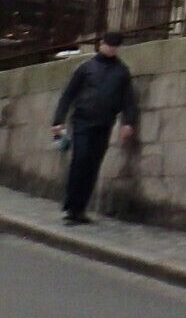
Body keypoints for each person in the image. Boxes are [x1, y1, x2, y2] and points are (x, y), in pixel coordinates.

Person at [51, 31, 139, 224]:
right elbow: (68, 95)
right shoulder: (86, 68)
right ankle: (71, 206)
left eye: (114, 46)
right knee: (80, 159)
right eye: (108, 45)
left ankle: (80, 208)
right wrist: (58, 120)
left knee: (92, 165)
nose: (110, 48)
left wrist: (128, 121)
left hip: (104, 122)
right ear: (102, 44)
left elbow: (128, 100)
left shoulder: (121, 72)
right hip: (82, 120)